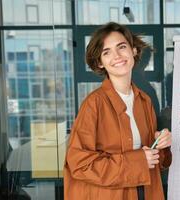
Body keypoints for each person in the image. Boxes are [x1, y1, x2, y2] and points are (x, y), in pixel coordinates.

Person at [64, 22, 172, 200]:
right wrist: (137, 161)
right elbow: (80, 165)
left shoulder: (145, 101)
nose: (117, 56)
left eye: (122, 47)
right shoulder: (93, 105)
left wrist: (161, 146)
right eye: (106, 52)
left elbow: (150, 160)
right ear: (100, 62)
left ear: (133, 51)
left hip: (145, 193)